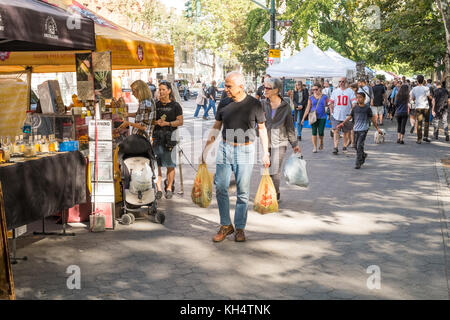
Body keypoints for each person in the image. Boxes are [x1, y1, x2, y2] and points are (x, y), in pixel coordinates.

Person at [201, 71, 270, 243]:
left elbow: (262, 129)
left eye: (229, 86)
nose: (226, 89)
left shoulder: (255, 104)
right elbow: (216, 127)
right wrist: (206, 149)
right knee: (221, 187)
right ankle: (226, 225)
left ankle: (240, 228)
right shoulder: (223, 102)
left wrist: (266, 152)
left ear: (241, 86)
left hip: (245, 151)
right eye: (225, 85)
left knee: (243, 192)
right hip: (225, 148)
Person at [262, 77, 301, 202]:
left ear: (276, 90)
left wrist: (294, 144)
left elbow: (290, 126)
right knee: (266, 168)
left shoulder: (285, 106)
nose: (265, 90)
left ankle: (274, 194)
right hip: (265, 141)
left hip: (280, 141)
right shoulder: (263, 103)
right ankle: (272, 191)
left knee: (275, 169)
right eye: (265, 87)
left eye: (268, 88)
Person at [153, 81, 183, 199]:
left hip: (170, 138)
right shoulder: (156, 105)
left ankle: (169, 187)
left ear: (169, 91)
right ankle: (159, 189)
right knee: (157, 165)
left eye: (163, 89)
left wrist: (168, 123)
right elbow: (150, 120)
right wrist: (156, 122)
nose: (161, 92)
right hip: (157, 138)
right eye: (159, 89)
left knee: (170, 165)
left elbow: (180, 121)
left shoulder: (175, 106)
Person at [337, 92, 382, 169]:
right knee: (355, 146)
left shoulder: (367, 108)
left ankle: (358, 162)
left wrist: (377, 128)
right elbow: (350, 116)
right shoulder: (355, 108)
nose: (358, 99)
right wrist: (343, 123)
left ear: (364, 98)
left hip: (364, 129)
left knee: (359, 145)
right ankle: (363, 155)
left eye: (360, 97)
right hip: (355, 129)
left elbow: (373, 119)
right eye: (357, 97)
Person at [329, 77, 356, 155]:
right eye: (340, 81)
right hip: (336, 115)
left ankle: (344, 146)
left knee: (346, 132)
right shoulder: (335, 91)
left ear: (346, 82)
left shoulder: (350, 91)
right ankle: (335, 147)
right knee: (336, 131)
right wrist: (331, 111)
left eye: (343, 81)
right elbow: (331, 102)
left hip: (346, 116)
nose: (341, 83)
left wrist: (352, 110)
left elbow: (354, 102)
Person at [301, 83, 328, 153]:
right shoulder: (311, 98)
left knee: (321, 132)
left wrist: (330, 113)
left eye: (316, 89)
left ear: (320, 89)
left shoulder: (324, 97)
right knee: (314, 132)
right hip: (313, 116)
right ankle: (315, 147)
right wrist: (303, 118)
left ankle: (321, 141)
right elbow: (307, 108)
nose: (314, 91)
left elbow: (328, 106)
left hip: (322, 117)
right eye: (313, 90)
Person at [410, 75, 432, 144]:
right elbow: (429, 97)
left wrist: (416, 98)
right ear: (423, 81)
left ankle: (419, 139)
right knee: (426, 122)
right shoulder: (426, 88)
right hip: (426, 107)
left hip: (418, 107)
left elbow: (412, 98)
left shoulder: (414, 89)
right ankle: (425, 137)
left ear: (417, 80)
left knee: (419, 123)